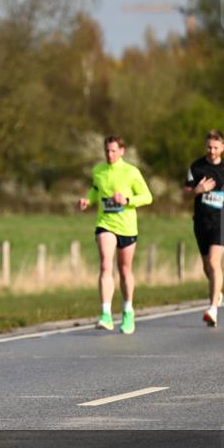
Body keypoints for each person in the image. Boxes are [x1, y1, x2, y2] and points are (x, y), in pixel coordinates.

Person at [78, 135, 153, 334]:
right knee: (105, 264)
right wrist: (88, 200)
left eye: (113, 151)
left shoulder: (131, 172)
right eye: (107, 151)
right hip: (105, 223)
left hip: (127, 227)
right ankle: (106, 314)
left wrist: (127, 200)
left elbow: (147, 197)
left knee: (125, 270)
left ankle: (128, 311)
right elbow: (96, 190)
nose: (109, 155)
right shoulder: (98, 171)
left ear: (122, 151)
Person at [185, 129, 224, 327]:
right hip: (201, 221)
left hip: (222, 220)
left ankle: (212, 309)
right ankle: (218, 291)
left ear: (223, 147)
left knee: (215, 261)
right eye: (209, 147)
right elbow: (185, 193)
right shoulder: (196, 167)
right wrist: (199, 190)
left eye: (216, 147)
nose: (212, 151)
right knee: (207, 266)